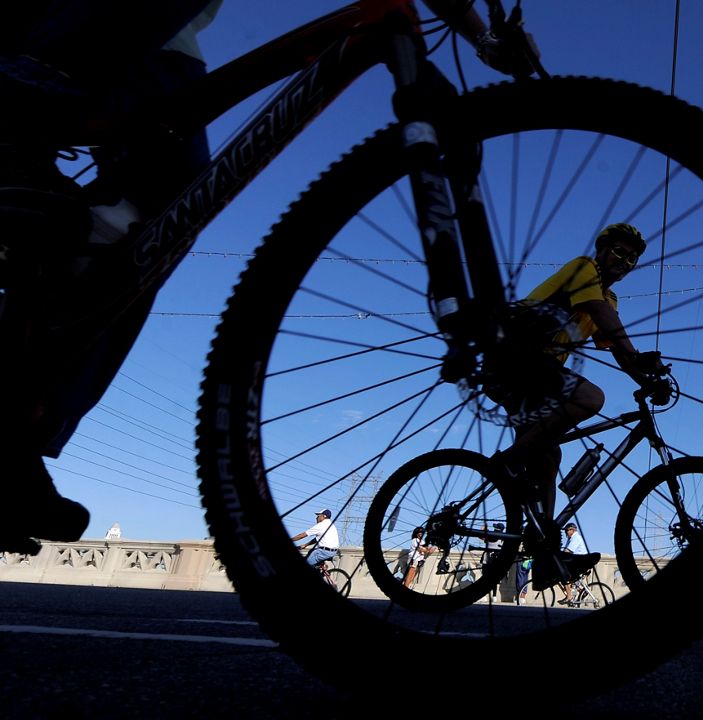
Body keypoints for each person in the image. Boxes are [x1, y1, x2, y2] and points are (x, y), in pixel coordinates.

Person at [0, 0, 532, 555]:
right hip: (73, 25)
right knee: (98, 186)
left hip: (164, 44)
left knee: (150, 239)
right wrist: (482, 36)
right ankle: (17, 116)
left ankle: (15, 432)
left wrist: (481, 35)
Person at [486, 223, 663, 590]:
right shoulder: (585, 268)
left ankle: (545, 558)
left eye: (631, 258)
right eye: (618, 252)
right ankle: (508, 460)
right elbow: (605, 320)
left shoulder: (610, 300)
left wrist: (648, 379)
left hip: (538, 373)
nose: (624, 262)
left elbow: (617, 349)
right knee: (589, 397)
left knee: (548, 461)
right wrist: (639, 360)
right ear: (602, 250)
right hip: (514, 356)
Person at [557, 522, 590, 604]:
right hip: (577, 562)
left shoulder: (576, 538)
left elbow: (568, 551)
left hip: (580, 563)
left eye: (567, 530)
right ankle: (581, 590)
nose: (566, 532)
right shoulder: (570, 539)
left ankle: (569, 596)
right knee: (567, 575)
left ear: (573, 530)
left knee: (564, 575)